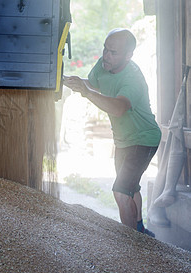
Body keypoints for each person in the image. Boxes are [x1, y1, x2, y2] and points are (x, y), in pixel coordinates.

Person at [63, 28, 161, 237]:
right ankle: (141, 231)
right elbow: (94, 84)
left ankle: (130, 246)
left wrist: (86, 92)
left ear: (128, 56)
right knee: (131, 188)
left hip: (144, 138)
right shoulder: (103, 64)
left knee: (120, 192)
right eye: (105, 49)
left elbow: (118, 107)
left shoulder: (133, 78)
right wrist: (77, 83)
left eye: (113, 52)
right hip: (124, 139)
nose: (106, 56)